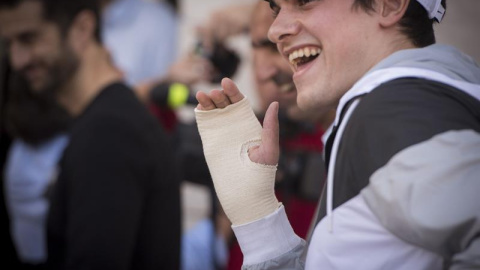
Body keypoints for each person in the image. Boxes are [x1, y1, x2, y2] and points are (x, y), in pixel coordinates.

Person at [195, 0, 480, 269]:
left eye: (305, 0)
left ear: (389, 4)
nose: (275, 30)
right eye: (276, 7)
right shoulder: (404, 104)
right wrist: (257, 215)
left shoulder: (393, 111)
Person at [0, 1, 181, 269]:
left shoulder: (108, 134)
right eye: (10, 43)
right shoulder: (107, 122)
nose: (18, 60)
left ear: (83, 28)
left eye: (29, 38)